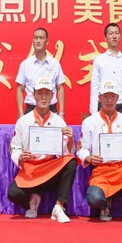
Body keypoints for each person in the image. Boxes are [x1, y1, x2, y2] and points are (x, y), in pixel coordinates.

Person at [78, 80, 122, 225]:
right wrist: (89, 158)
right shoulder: (89, 122)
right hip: (101, 172)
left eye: (112, 96)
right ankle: (104, 204)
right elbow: (82, 148)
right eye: (106, 96)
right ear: (99, 98)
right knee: (94, 199)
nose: (109, 100)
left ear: (118, 98)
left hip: (120, 170)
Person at [7, 77, 77, 224]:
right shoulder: (23, 121)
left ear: (52, 96)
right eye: (40, 93)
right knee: (13, 193)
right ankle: (32, 202)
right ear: (33, 95)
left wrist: (70, 139)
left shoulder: (59, 121)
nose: (43, 97)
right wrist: (21, 156)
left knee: (71, 162)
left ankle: (59, 207)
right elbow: (15, 147)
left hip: (50, 169)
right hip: (31, 170)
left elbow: (65, 152)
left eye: (47, 93)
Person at [16, 28, 66, 119]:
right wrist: (20, 113)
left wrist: (61, 112)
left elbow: (60, 88)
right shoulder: (25, 64)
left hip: (51, 110)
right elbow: (20, 89)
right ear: (33, 41)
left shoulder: (54, 63)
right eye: (36, 38)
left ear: (47, 41)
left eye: (41, 38)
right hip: (31, 109)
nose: (38, 41)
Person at [89, 23, 122, 115]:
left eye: (117, 33)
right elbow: (94, 87)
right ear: (105, 38)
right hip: (104, 105)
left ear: (120, 37)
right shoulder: (99, 60)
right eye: (111, 34)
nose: (114, 36)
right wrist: (93, 111)